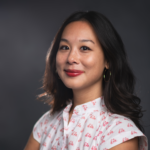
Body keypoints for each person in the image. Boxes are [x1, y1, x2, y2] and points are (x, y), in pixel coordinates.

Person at [24, 11, 148, 150]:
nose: (71, 58)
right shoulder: (46, 123)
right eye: (64, 47)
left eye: (84, 48)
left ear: (108, 61)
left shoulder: (120, 133)